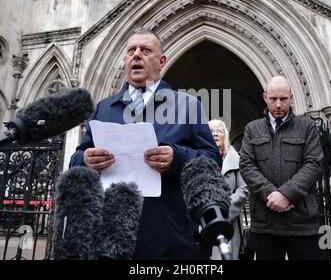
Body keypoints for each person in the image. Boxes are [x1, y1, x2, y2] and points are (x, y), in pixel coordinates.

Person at [69, 28, 221, 259]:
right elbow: (75, 160)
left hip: (168, 238)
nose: (136, 55)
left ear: (161, 61)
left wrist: (177, 158)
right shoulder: (103, 108)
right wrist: (86, 160)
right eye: (131, 50)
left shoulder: (187, 105)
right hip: (111, 240)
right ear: (125, 60)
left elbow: (212, 161)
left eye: (145, 50)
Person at [239, 76, 323, 260]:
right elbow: (246, 165)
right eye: (273, 99)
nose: (278, 105)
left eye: (283, 99)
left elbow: (314, 164)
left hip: (302, 223)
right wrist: (271, 194)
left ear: (291, 97)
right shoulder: (252, 129)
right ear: (264, 97)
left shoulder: (307, 127)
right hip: (265, 222)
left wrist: (287, 194)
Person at [208, 119, 249, 260]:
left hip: (228, 221)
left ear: (225, 135)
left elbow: (244, 189)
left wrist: (225, 208)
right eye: (211, 131)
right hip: (205, 220)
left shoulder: (236, 159)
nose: (215, 134)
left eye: (219, 131)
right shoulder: (198, 157)